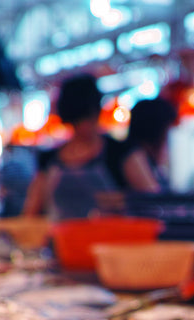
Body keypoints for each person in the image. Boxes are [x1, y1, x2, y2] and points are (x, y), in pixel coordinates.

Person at [22, 73, 123, 219]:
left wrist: (124, 200)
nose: (86, 126)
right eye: (80, 119)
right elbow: (31, 212)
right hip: (62, 239)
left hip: (112, 239)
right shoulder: (49, 159)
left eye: (88, 117)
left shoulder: (119, 152)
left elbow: (149, 201)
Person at [120, 96, 178, 193]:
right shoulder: (133, 155)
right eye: (166, 134)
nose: (167, 143)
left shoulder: (151, 165)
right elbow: (154, 200)